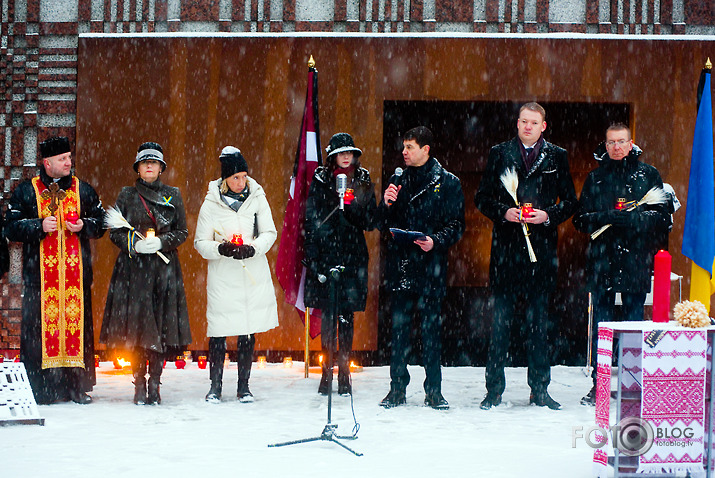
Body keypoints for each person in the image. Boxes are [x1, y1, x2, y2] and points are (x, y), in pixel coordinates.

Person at [475, 102, 577, 411]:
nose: (528, 126)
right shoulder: (500, 153)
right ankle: (493, 391)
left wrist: (548, 215)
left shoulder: (557, 156)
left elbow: (571, 201)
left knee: (539, 327)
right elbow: (482, 197)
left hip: (541, 253)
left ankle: (540, 390)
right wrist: (503, 212)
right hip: (506, 251)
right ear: (517, 124)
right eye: (523, 121)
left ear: (543, 126)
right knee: (500, 326)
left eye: (534, 122)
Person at [573, 123, 670, 405]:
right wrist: (605, 216)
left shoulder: (648, 175)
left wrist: (635, 220)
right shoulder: (596, 178)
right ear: (605, 146)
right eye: (611, 142)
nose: (616, 147)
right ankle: (599, 384)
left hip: (635, 260)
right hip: (602, 260)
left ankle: (632, 384)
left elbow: (662, 217)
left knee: (633, 323)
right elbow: (580, 220)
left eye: (621, 142)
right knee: (602, 326)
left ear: (631, 144)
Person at [5, 136, 105, 404]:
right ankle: (41, 388)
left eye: (69, 158)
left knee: (75, 331)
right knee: (39, 335)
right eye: (63, 159)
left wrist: (85, 225)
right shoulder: (27, 191)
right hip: (40, 281)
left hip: (75, 280)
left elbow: (102, 222)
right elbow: (11, 227)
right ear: (47, 163)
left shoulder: (83, 190)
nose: (68, 163)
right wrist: (38, 226)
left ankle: (75, 387)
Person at [378, 126, 465, 410]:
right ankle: (396, 389)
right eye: (403, 146)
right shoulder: (397, 178)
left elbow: (456, 225)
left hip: (431, 265)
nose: (404, 152)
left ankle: (434, 391)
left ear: (426, 149)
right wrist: (386, 204)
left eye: (410, 147)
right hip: (402, 264)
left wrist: (435, 241)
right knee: (399, 331)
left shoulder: (448, 182)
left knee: (431, 332)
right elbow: (382, 223)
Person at [100, 142, 192, 405]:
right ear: (138, 168)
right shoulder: (127, 195)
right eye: (144, 163)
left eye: (154, 163)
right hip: (133, 269)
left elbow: (182, 231)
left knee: (160, 326)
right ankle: (138, 383)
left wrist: (163, 242)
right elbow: (115, 231)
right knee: (138, 327)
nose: (149, 166)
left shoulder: (172, 195)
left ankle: (155, 383)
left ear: (161, 168)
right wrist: (134, 244)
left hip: (164, 270)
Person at [194, 146, 279, 403]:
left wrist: (253, 248)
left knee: (247, 330)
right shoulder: (211, 204)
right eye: (235, 177)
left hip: (251, 275)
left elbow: (269, 233)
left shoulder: (257, 198)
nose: (241, 182)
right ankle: (215, 386)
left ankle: (244, 386)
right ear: (225, 179)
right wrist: (220, 248)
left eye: (243, 176)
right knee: (219, 330)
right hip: (223, 276)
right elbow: (200, 242)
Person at [304, 133, 376, 396]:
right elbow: (311, 216)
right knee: (328, 316)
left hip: (353, 253)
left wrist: (352, 204)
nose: (347, 157)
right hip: (326, 252)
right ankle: (326, 373)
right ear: (332, 155)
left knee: (346, 316)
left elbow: (370, 220)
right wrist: (313, 251)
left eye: (351, 152)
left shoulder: (363, 178)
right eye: (342, 152)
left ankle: (345, 372)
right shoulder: (321, 178)